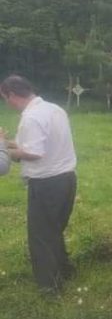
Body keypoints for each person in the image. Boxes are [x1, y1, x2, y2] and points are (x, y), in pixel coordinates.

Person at [0, 75, 78, 291]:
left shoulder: (31, 118)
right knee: (54, 229)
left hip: (46, 184)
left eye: (5, 98)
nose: (6, 103)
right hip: (67, 179)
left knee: (41, 236)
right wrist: (6, 143)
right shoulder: (54, 109)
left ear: (12, 95)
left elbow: (33, 152)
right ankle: (64, 270)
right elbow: (38, 143)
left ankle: (49, 286)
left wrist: (6, 152)